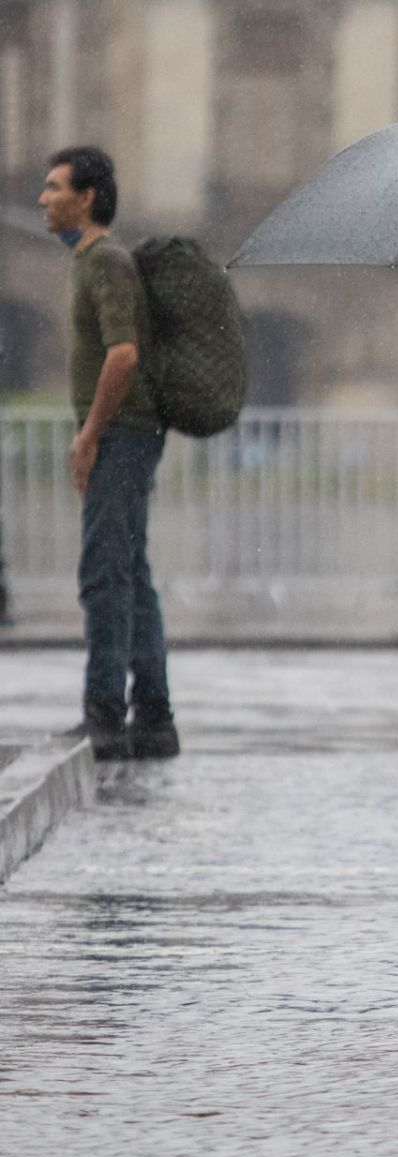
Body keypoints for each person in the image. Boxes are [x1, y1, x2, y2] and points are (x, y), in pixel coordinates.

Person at [38, 146, 177, 760]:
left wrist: (88, 435)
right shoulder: (89, 261)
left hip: (122, 435)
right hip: (124, 433)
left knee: (104, 574)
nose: (43, 198)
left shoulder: (106, 262)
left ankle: (104, 716)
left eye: (54, 187)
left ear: (86, 197)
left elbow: (123, 353)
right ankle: (152, 716)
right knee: (130, 574)